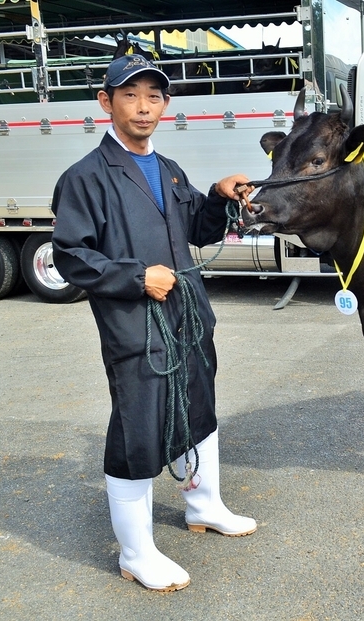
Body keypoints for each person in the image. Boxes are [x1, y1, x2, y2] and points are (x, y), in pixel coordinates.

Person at [51, 54, 256, 592]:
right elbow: (71, 255)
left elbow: (199, 230)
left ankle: (204, 506)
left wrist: (217, 194)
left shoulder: (167, 168)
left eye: (154, 96)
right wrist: (135, 276)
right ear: (106, 103)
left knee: (199, 408)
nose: (144, 107)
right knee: (138, 429)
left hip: (187, 315)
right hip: (134, 325)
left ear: (165, 104)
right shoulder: (85, 178)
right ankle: (136, 552)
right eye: (130, 95)